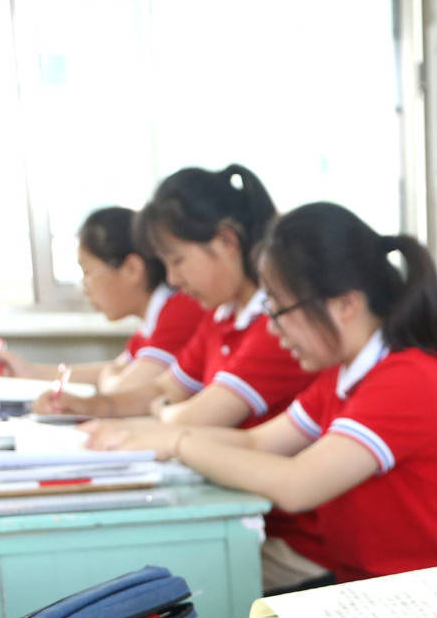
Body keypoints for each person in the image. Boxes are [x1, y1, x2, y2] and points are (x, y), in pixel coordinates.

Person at [83, 203, 437, 584]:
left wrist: (178, 442)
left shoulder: (406, 380)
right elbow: (257, 441)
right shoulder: (345, 375)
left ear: (344, 305)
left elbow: (297, 484)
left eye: (280, 311)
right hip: (373, 588)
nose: (275, 331)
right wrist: (145, 439)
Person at [47, 165, 315, 429]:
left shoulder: (276, 324)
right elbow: (164, 387)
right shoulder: (221, 315)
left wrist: (163, 409)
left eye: (178, 261)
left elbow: (194, 418)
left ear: (226, 242)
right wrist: (88, 407)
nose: (173, 279)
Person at [0, 206, 203, 397]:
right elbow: (116, 371)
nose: (84, 289)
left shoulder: (182, 309)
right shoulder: (157, 314)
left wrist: (110, 378)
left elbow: (123, 389)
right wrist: (30, 373)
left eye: (87, 272)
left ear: (132, 269)